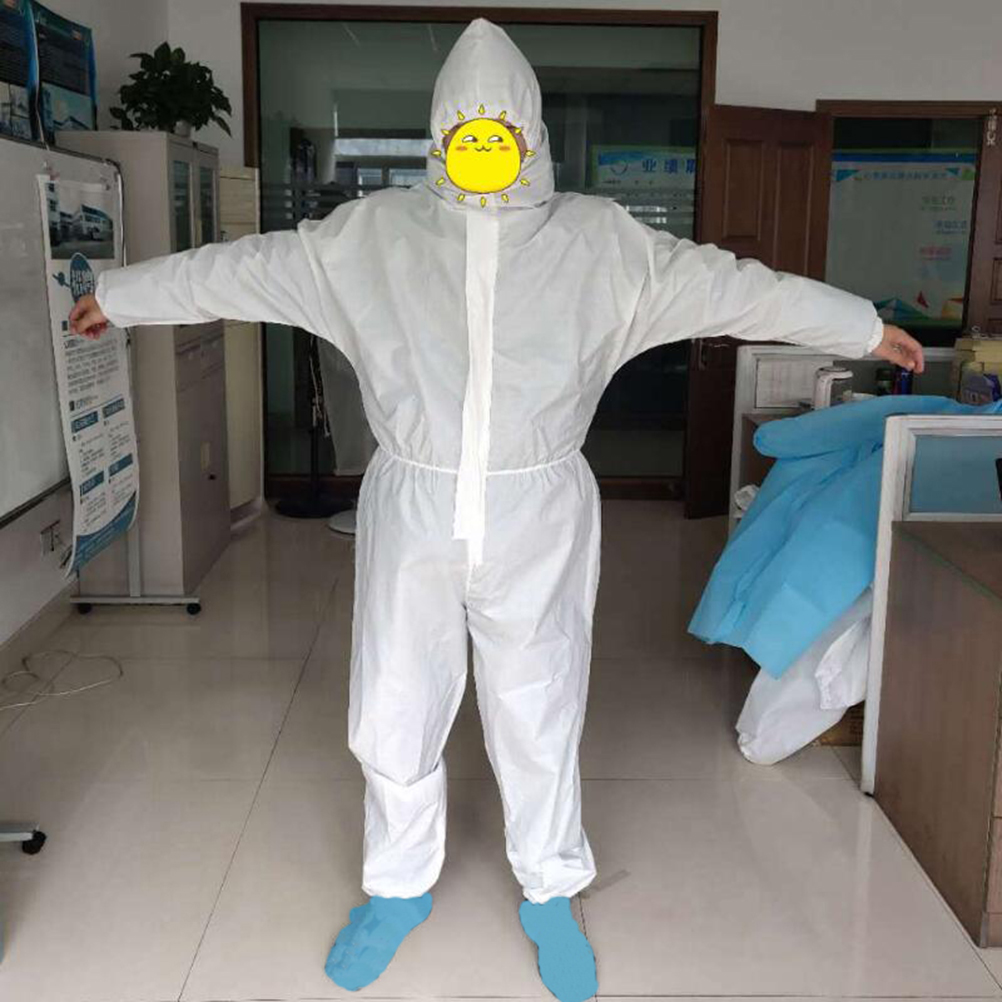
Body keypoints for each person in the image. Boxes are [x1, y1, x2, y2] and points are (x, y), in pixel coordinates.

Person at [69, 18, 924, 1002]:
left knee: (539, 698)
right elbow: (240, 269)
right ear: (441, 136)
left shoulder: (604, 246)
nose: (483, 146)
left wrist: (860, 326)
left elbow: (737, 291)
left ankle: (550, 888)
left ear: (530, 135)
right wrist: (123, 296)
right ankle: (397, 887)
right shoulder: (369, 240)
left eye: (499, 131)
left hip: (539, 509)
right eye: (465, 132)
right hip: (414, 504)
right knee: (394, 700)